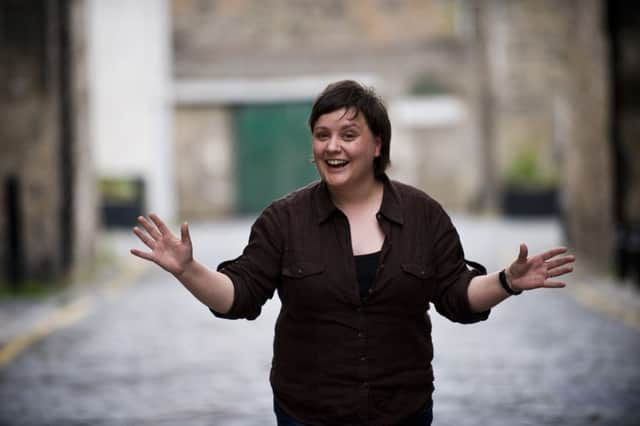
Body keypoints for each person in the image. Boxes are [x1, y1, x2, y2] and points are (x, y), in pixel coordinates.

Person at [130, 80, 575, 425]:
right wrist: (188, 270)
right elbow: (238, 296)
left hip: (403, 411)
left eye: (348, 134)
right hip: (308, 413)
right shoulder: (284, 220)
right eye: (322, 135)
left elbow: (457, 296)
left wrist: (506, 282)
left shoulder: (422, 215)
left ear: (377, 144)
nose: (332, 146)